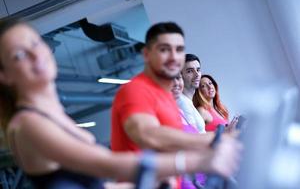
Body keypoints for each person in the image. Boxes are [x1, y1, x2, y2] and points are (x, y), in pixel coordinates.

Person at [0, 19, 240, 189]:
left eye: (35, 43)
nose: (35, 55)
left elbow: (99, 181)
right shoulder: (27, 124)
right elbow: (109, 163)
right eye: (19, 55)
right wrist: (199, 159)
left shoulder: (51, 114)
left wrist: (152, 179)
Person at [111, 22, 241, 188]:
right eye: (165, 50)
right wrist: (218, 140)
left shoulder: (171, 105)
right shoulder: (135, 91)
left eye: (178, 50)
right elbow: (149, 134)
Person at [178, 54, 206, 133]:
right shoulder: (182, 102)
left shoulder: (187, 101)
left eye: (198, 70)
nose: (197, 74)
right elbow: (193, 136)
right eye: (190, 71)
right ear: (180, 75)